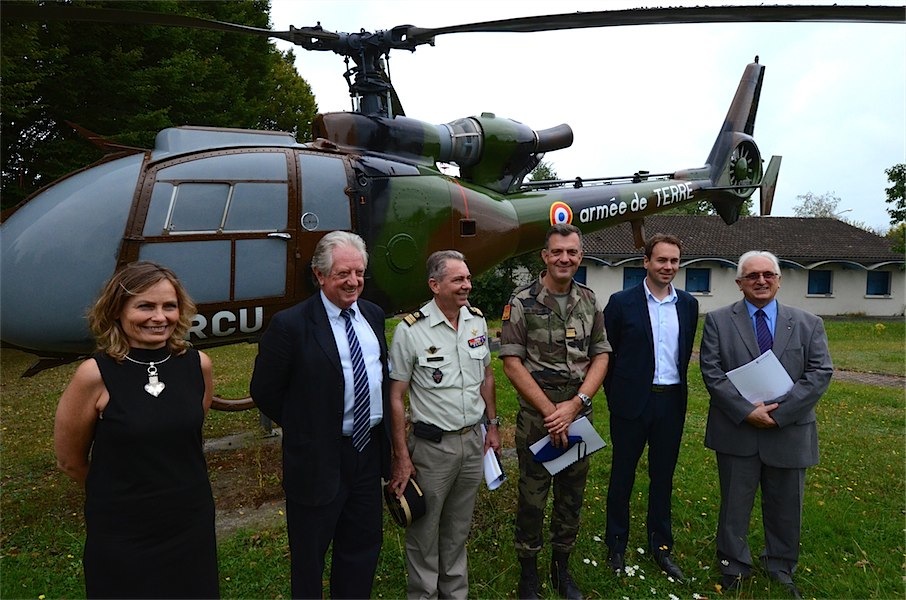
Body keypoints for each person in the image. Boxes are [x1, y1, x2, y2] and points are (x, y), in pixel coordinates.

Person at [54, 261, 219, 599]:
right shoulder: (94, 374)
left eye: (168, 306)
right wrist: (122, 494)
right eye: (145, 306)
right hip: (123, 529)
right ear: (117, 310)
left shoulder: (197, 365)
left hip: (190, 521)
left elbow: (186, 434)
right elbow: (70, 461)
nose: (159, 317)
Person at [250, 231, 391, 599]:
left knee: (361, 548)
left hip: (367, 453)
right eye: (343, 273)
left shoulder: (373, 316)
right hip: (317, 459)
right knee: (310, 558)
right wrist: (307, 428)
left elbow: (380, 376)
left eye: (359, 273)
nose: (353, 281)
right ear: (320, 275)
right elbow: (264, 391)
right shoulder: (291, 325)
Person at [700, 250, 833, 599]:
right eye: (753, 276)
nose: (761, 281)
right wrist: (747, 412)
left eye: (768, 275)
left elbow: (820, 372)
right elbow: (712, 373)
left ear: (779, 279)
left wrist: (779, 413)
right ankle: (733, 563)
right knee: (734, 504)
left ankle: (781, 564)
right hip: (737, 430)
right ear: (739, 283)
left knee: (787, 505)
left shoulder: (808, 324)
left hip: (789, 430)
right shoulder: (717, 321)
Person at [499, 223, 611, 600]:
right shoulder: (521, 301)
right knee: (532, 498)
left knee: (571, 495)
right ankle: (528, 572)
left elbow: (601, 355)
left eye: (572, 252)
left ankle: (562, 568)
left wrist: (577, 404)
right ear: (544, 256)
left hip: (578, 413)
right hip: (539, 417)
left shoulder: (590, 300)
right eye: (557, 252)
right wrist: (552, 412)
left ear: (580, 256)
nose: (565, 258)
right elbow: (512, 362)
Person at [387, 250, 501, 599]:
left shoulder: (476, 321)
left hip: (472, 443)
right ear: (435, 285)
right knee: (424, 533)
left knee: (457, 530)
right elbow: (396, 396)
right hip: (432, 448)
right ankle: (422, 594)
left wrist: (492, 426)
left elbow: (487, 377)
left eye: (467, 278)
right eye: (458, 279)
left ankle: (455, 594)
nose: (467, 285)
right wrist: (401, 456)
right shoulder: (411, 330)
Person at [601, 234, 698, 581]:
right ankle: (615, 544)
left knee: (663, 478)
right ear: (646, 262)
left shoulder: (687, 305)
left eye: (674, 261)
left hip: (670, 402)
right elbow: (607, 357)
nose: (668, 267)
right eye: (661, 260)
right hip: (630, 404)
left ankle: (661, 547)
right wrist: (616, 397)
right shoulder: (621, 303)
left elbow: (683, 354)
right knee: (622, 476)